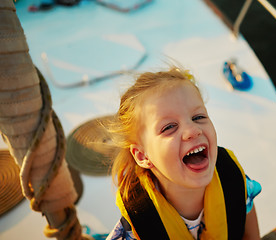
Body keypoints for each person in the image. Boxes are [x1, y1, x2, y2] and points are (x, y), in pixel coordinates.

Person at [106, 66, 262, 240]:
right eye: (169, 127)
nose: (193, 130)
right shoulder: (135, 230)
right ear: (143, 156)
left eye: (198, 117)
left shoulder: (233, 179)